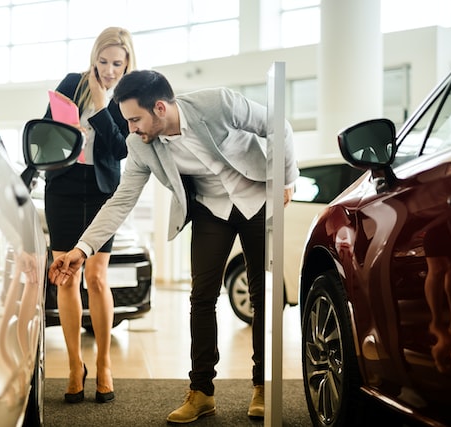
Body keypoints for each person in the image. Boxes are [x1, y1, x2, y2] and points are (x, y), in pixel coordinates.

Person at [48, 69, 299, 422]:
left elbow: (278, 125)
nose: (130, 129)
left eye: (135, 119)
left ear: (161, 108)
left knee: (260, 296)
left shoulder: (218, 103)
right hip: (211, 208)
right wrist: (82, 249)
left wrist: (286, 179)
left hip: (257, 196)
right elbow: (121, 201)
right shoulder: (140, 146)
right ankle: (202, 392)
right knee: (201, 298)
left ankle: (261, 388)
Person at [43, 27, 137, 404]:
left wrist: (100, 109)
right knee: (67, 277)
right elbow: (46, 134)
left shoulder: (129, 96)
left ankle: (103, 365)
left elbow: (120, 149)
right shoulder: (71, 83)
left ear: (128, 62)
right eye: (103, 62)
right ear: (93, 58)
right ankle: (73, 366)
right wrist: (65, 130)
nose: (110, 70)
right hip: (63, 188)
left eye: (117, 63)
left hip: (102, 191)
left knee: (96, 278)